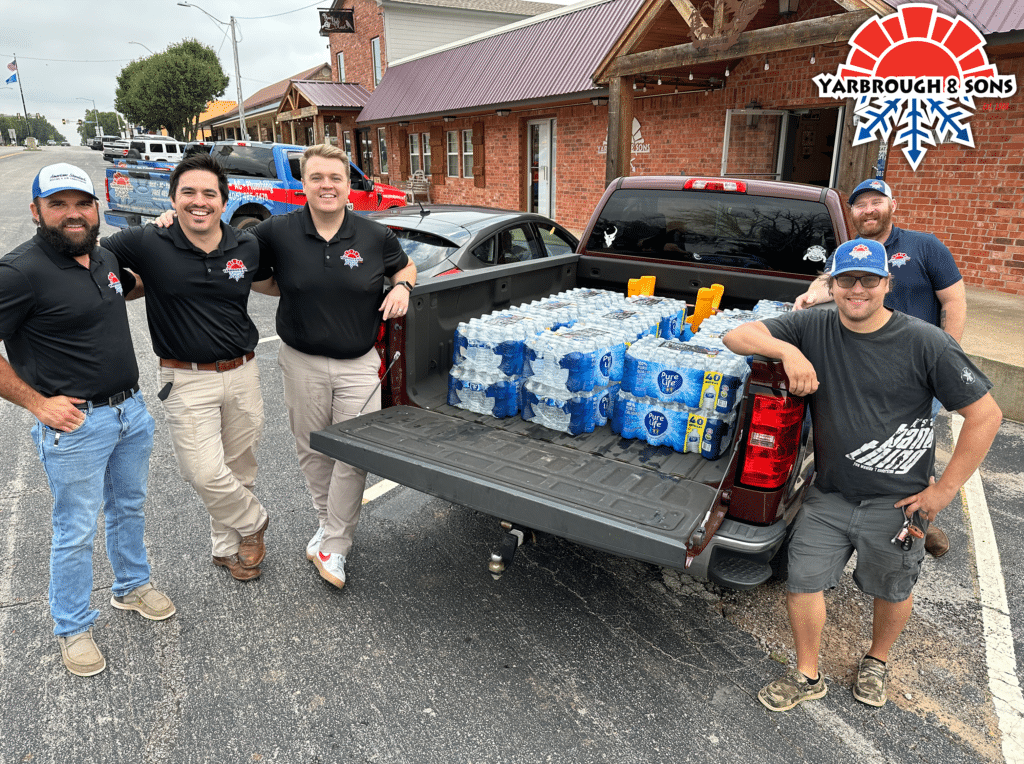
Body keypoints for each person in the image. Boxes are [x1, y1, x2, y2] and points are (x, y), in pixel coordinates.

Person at [723, 238, 1001, 712]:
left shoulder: (926, 342)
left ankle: (877, 660)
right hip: (830, 493)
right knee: (802, 583)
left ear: (886, 284)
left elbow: (986, 415)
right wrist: (789, 354)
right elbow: (737, 334)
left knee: (891, 588)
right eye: (846, 280)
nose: (857, 290)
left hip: (899, 503)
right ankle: (808, 674)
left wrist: (942, 491)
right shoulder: (813, 326)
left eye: (868, 280)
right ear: (831, 285)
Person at [0, 163, 175, 676]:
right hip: (76, 426)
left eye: (82, 203)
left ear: (96, 208)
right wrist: (37, 404)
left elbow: (131, 286)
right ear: (36, 212)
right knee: (74, 530)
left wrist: (168, 228)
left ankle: (131, 587)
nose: (72, 213)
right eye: (58, 204)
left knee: (129, 507)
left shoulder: (104, 259)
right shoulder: (19, 273)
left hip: (130, 413)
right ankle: (72, 627)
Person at [250, 143, 415, 590]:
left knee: (352, 455)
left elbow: (407, 268)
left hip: (360, 364)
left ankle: (336, 545)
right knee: (311, 448)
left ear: (348, 185)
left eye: (335, 178)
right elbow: (243, 265)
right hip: (299, 361)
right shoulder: (276, 232)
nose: (327, 186)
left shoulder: (374, 236)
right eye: (317, 178)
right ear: (304, 184)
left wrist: (401, 287)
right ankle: (327, 524)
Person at [102, 153, 272, 582]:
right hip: (185, 377)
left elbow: (278, 280)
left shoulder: (246, 244)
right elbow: (98, 258)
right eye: (188, 193)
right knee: (201, 469)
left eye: (209, 193)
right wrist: (132, 285)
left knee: (238, 467)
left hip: (244, 371)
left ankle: (227, 549)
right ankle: (253, 523)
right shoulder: (147, 242)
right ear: (174, 200)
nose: (200, 201)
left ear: (224, 200)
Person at [793, 178, 967, 558]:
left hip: (918, 372)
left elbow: (953, 301)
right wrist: (812, 293)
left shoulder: (925, 246)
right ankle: (842, 515)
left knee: (909, 450)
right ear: (852, 213)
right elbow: (828, 281)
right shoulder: (849, 251)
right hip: (861, 369)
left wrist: (946, 359)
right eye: (860, 205)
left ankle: (920, 519)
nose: (868, 210)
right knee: (865, 444)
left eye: (876, 202)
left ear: (892, 205)